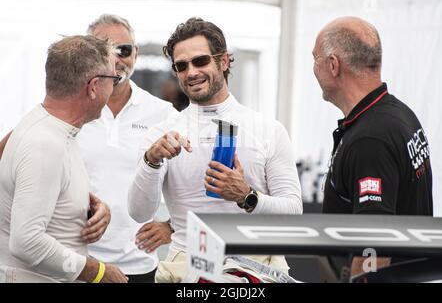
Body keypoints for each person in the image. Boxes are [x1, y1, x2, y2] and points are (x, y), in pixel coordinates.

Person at [128, 17, 303, 283]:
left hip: (253, 268)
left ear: (223, 61)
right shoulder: (161, 134)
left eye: (200, 61)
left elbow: (293, 213)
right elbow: (139, 213)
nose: (191, 72)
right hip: (186, 266)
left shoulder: (268, 129)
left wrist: (247, 196)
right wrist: (151, 161)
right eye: (181, 66)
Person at [0, 35, 127, 282]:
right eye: (114, 79)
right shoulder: (45, 143)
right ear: (93, 87)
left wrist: (87, 207)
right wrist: (100, 272)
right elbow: (26, 242)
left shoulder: (51, 128)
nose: (114, 88)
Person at [312, 16, 433, 276]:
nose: (314, 68)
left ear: (333, 65)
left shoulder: (370, 140)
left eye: (315, 59)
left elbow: (374, 246)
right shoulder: (399, 113)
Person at [76, 14, 178, 283]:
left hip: (140, 266)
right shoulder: (71, 109)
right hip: (80, 264)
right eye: (104, 50)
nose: (116, 59)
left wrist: (172, 227)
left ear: (136, 53)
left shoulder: (162, 113)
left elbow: (196, 182)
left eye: (124, 49)